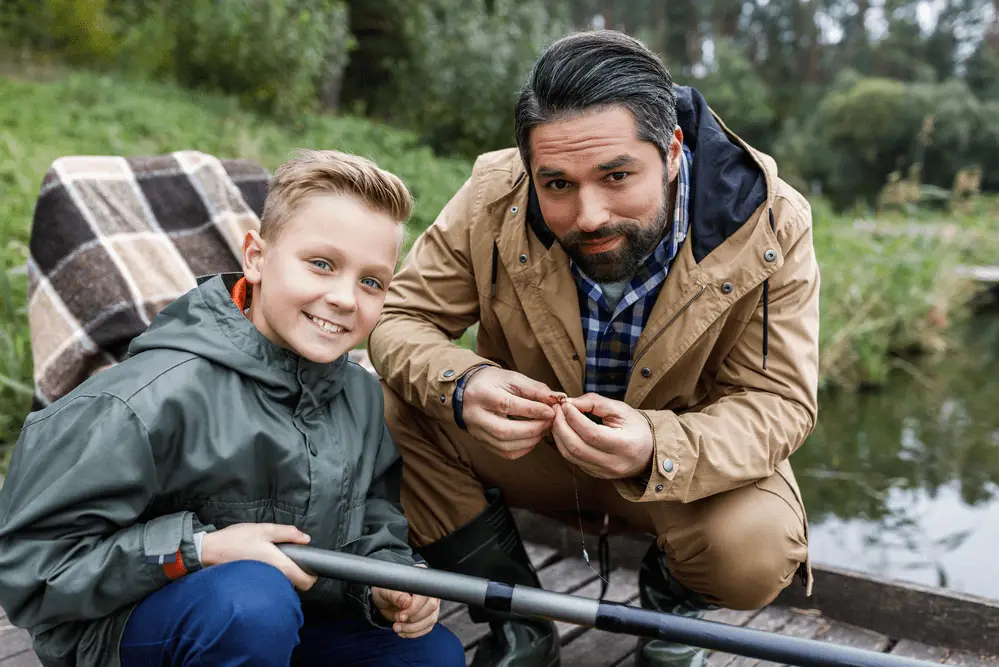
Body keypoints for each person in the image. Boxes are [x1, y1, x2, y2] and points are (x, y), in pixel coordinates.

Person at [367, 30, 819, 667]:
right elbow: (401, 317)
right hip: (531, 445)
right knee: (380, 403)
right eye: (556, 185)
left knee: (757, 549)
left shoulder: (772, 222)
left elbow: (778, 404)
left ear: (671, 151)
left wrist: (655, 445)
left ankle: (671, 612)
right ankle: (514, 615)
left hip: (679, 472)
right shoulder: (492, 195)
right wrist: (464, 383)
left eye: (616, 176)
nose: (588, 215)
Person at [0, 149, 466, 667]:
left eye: (371, 281)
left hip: (284, 620)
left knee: (432, 655)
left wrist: (386, 584)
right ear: (256, 257)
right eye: (321, 264)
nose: (344, 297)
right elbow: (29, 567)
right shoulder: (145, 398)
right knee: (250, 603)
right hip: (127, 630)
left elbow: (374, 523)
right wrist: (200, 549)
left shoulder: (359, 396)